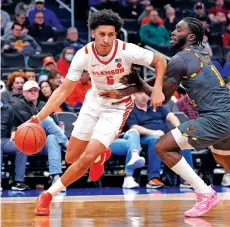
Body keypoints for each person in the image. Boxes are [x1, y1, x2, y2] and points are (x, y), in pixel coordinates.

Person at [101, 17, 230, 218]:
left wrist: (137, 82)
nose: (172, 32)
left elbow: (160, 98)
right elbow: (159, 81)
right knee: (225, 159)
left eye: (178, 29)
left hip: (216, 117)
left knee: (162, 146)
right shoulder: (199, 55)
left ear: (190, 36)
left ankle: (205, 193)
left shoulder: (180, 60)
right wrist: (122, 92)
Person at [28, 9, 166, 216]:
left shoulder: (127, 50)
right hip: (94, 101)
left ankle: (47, 195)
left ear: (116, 35)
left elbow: (160, 61)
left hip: (118, 107)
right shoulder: (83, 55)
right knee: (72, 157)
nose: (106, 39)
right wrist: (39, 117)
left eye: (111, 35)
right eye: (102, 34)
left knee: (86, 158)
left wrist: (157, 88)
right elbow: (64, 90)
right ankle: (100, 156)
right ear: (93, 33)